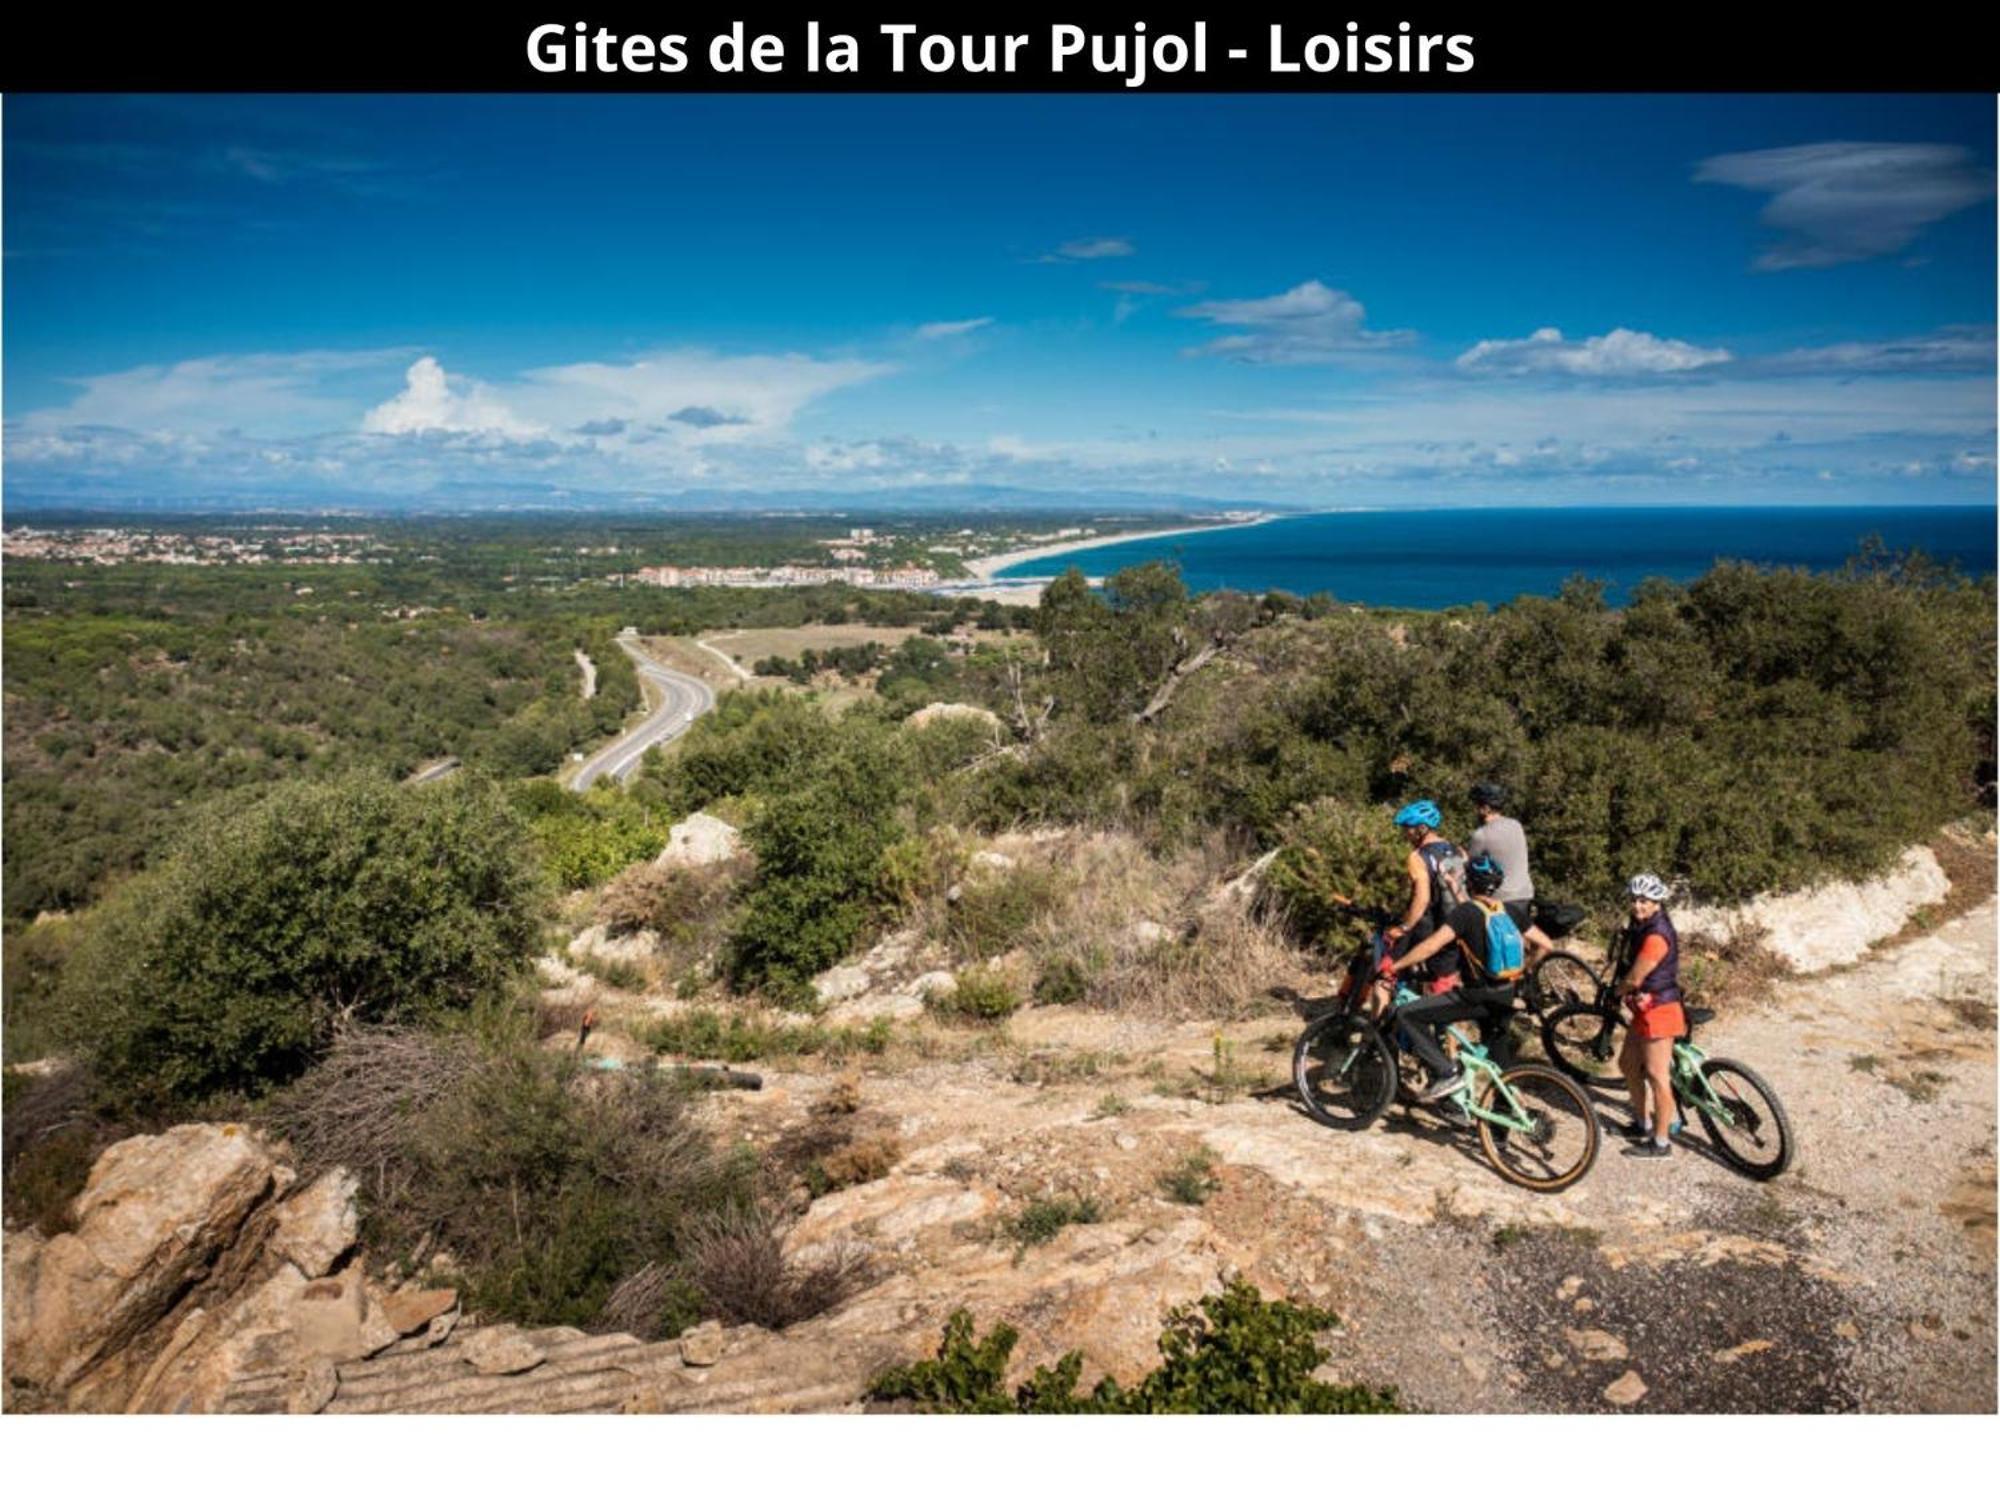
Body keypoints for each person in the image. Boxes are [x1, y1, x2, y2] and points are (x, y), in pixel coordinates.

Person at [1378, 852, 1526, 1101]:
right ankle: (1501, 1131)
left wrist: (1396, 965)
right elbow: (1544, 944)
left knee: (1408, 1014)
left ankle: (1447, 1072)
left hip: (1475, 997)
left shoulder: (1466, 914)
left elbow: (1431, 946)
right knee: (1501, 1066)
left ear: (1470, 881)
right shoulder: (1509, 911)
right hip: (1506, 993)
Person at [1616, 873, 1686, 1158]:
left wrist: (1617, 991)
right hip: (1645, 1009)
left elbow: (1635, 977)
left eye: (1644, 900)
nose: (1637, 905)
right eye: (1634, 899)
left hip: (1660, 1010)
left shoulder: (1656, 935)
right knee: (1628, 1064)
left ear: (1657, 903)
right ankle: (1643, 1122)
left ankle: (1661, 1142)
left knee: (1658, 1075)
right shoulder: (1642, 925)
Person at [1386, 799, 1468, 998]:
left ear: (1421, 829)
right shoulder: (1459, 851)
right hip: (1453, 928)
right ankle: (1438, 1026)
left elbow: (1422, 900)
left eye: (1408, 828)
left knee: (1385, 974)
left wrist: (1404, 928)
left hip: (1425, 929)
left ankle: (1380, 1025)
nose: (1405, 833)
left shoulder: (1417, 857)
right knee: (1441, 987)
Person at [1466, 782, 1554, 964]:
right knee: (1519, 939)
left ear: (1486, 808)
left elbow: (1471, 867)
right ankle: (1527, 976)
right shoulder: (1516, 825)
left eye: (1477, 806)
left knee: (1498, 945)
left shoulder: (1480, 835)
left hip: (1502, 898)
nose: (1475, 810)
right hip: (1525, 892)